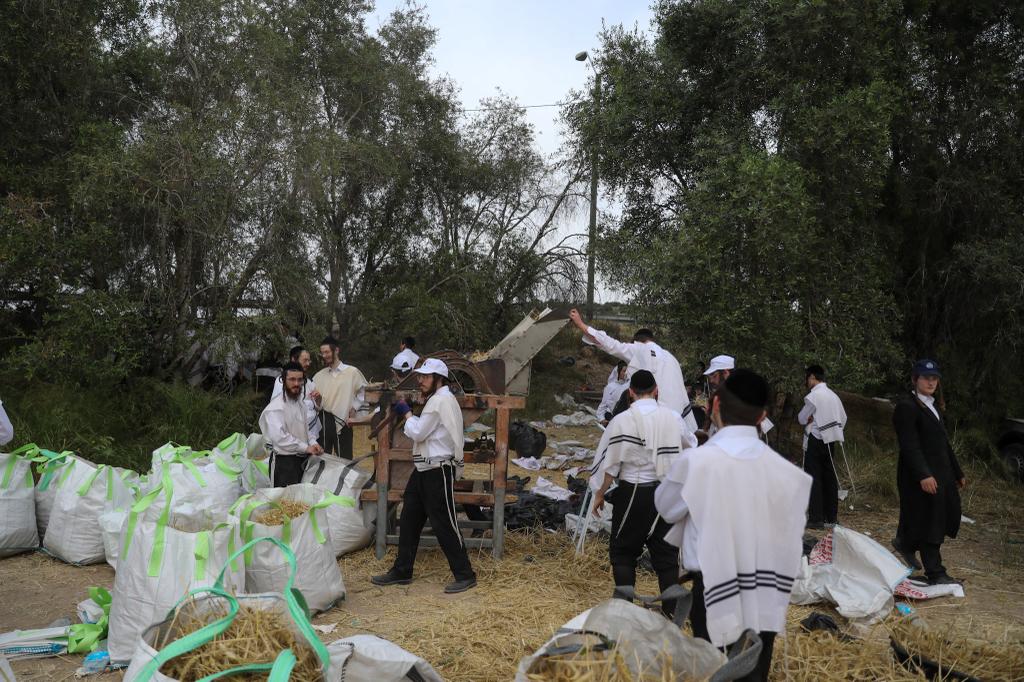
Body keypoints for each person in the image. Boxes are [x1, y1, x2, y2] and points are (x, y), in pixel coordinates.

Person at [656, 370, 811, 682]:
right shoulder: (790, 475)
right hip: (768, 587)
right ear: (762, 417)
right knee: (754, 670)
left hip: (715, 588)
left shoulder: (697, 463)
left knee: (717, 668)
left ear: (714, 406)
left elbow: (666, 508)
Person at [589, 370, 697, 617]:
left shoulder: (622, 420)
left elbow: (609, 463)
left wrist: (599, 493)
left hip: (633, 492)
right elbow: (692, 446)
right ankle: (671, 614)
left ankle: (625, 610)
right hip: (667, 494)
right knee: (666, 556)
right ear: (656, 390)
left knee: (623, 553)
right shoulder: (673, 418)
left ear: (630, 392)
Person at [371, 358, 477, 594]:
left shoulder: (441, 401)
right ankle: (402, 570)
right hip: (424, 469)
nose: (420, 380)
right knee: (409, 518)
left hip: (438, 470)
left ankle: (465, 574)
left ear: (439, 379)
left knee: (445, 523)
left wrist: (407, 413)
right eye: (420, 376)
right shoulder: (437, 400)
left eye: (426, 377)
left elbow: (418, 433)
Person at [892, 359, 965, 584]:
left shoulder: (933, 406)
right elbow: (910, 445)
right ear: (915, 380)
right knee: (930, 521)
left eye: (934, 378)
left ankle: (905, 542)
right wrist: (923, 474)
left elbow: (943, 443)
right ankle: (936, 572)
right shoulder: (907, 406)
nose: (931, 382)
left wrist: (957, 471)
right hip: (919, 475)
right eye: (926, 378)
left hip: (940, 474)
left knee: (939, 516)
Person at [568, 309, 698, 431]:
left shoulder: (639, 349)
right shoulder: (672, 358)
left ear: (636, 342)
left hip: (656, 421)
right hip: (681, 422)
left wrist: (581, 324)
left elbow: (611, 344)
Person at [797, 364, 847, 529]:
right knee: (829, 477)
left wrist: (810, 420)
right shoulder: (833, 396)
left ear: (812, 377)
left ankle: (816, 518)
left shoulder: (815, 395)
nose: (807, 382)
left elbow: (802, 418)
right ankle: (831, 517)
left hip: (816, 439)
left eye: (807, 378)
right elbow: (843, 418)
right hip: (830, 440)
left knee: (814, 477)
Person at [258, 362, 324, 486]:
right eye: (292, 379)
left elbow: (306, 430)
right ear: (283, 380)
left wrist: (314, 443)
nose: (296, 384)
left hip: (303, 461)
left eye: (300, 380)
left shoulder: (300, 404)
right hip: (285, 465)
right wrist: (306, 447)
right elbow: (280, 438)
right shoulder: (275, 408)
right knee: (286, 502)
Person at [312, 336, 367, 459]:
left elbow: (364, 391)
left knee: (345, 459)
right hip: (324, 422)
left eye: (326, 352)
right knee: (322, 458)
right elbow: (314, 403)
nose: (324, 355)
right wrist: (318, 400)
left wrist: (355, 407)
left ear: (336, 350)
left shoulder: (352, 372)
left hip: (344, 422)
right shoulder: (318, 376)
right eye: (322, 353)